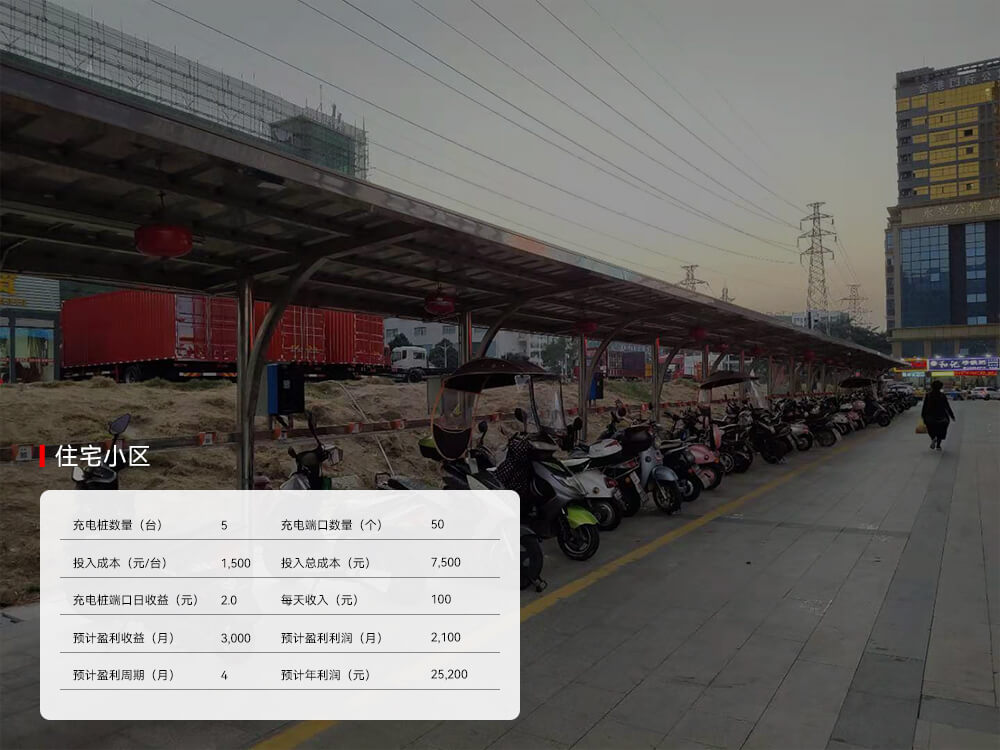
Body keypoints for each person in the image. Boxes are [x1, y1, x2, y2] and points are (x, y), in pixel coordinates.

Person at [921, 380, 955, 451]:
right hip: (942, 417)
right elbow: (947, 406)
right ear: (940, 387)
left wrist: (923, 416)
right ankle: (938, 445)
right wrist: (952, 416)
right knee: (941, 431)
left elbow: (924, 406)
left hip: (930, 417)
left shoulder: (928, 395)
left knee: (931, 429)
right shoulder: (942, 395)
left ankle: (933, 438)